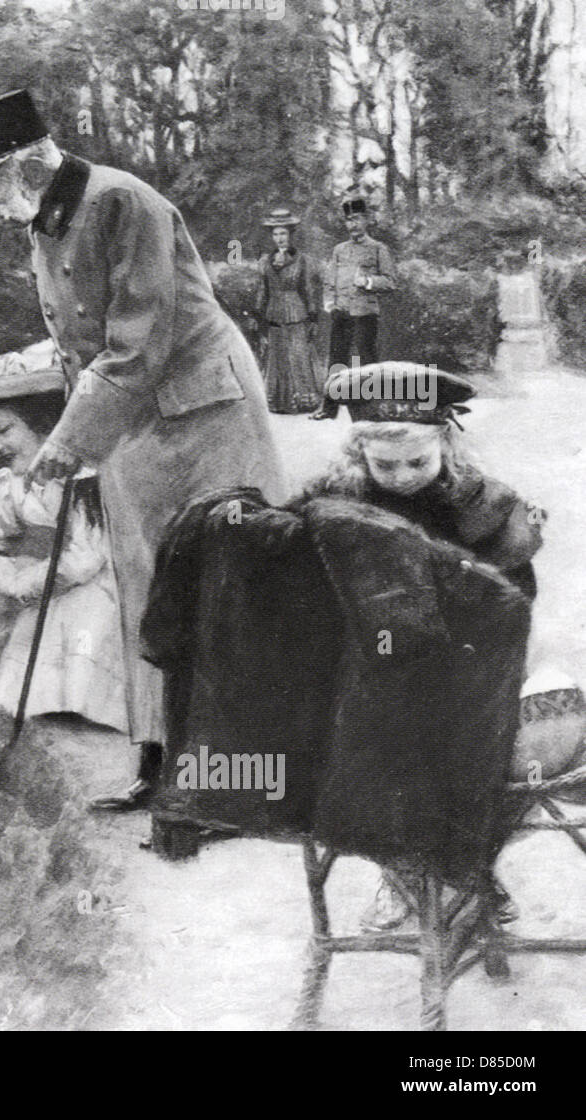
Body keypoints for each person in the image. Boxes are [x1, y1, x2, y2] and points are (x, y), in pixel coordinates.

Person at [0, 89, 285, 815]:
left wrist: (70, 440)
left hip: (204, 412)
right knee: (143, 589)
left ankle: (235, 783)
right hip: (132, 419)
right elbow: (85, 346)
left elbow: (139, 339)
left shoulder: (124, 201)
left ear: (28, 164)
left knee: (220, 584)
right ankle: (159, 764)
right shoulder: (46, 222)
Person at [302, 362, 544, 928]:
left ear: (446, 446)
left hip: (470, 662)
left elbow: (514, 599)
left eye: (419, 461)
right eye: (385, 465)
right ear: (359, 454)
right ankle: (403, 873)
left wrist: (509, 557)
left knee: (503, 747)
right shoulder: (334, 501)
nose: (403, 476)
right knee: (389, 744)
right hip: (365, 666)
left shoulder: (480, 504)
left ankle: (471, 865)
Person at [0, 342, 127, 733]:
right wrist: (10, 576)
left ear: (46, 427)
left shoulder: (85, 481)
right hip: (51, 587)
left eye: (2, 430)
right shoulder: (11, 484)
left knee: (83, 615)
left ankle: (86, 706)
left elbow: (88, 557)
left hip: (102, 588)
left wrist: (33, 581)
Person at [310, 187, 398, 420]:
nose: (353, 225)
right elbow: (330, 281)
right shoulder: (339, 250)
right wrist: (329, 303)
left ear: (367, 220)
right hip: (341, 313)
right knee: (336, 361)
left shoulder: (379, 249)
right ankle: (329, 408)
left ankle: (371, 410)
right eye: (348, 220)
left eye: (357, 219)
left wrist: (367, 281)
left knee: (367, 363)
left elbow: (390, 282)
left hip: (365, 314)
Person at [256, 207, 323, 414]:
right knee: (276, 356)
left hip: (296, 312)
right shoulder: (265, 261)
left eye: (283, 233)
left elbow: (310, 291)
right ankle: (278, 401)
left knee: (298, 354)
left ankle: (304, 400)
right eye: (276, 234)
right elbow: (262, 291)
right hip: (274, 312)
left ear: (291, 234)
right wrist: (259, 320)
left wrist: (313, 318)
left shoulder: (303, 261)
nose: (280, 238)